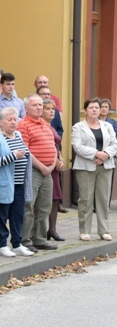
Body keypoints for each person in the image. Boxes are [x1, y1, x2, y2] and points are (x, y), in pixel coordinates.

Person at [0, 107, 35, 257]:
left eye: (15, 119)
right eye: (10, 119)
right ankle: (2, 245)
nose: (14, 122)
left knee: (17, 214)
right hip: (2, 183)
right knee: (1, 215)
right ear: (0, 122)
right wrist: (14, 156)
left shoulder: (18, 135)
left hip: (19, 183)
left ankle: (17, 243)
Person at [17, 95, 59, 252]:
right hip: (33, 170)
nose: (39, 108)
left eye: (41, 105)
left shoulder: (45, 124)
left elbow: (53, 146)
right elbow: (26, 150)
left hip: (48, 171)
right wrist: (42, 166)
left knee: (45, 206)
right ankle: (24, 240)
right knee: (29, 205)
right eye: (35, 105)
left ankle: (40, 239)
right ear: (26, 108)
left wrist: (52, 164)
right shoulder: (23, 125)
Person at [72, 98, 117, 241]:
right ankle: (84, 230)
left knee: (103, 199)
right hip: (86, 167)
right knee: (86, 199)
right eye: (91, 107)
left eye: (97, 108)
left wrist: (105, 155)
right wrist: (96, 154)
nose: (94, 110)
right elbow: (78, 147)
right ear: (85, 110)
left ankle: (104, 230)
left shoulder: (107, 126)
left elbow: (114, 143)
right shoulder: (78, 127)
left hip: (105, 165)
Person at [41, 100, 66, 242]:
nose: (51, 111)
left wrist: (60, 157)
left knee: (55, 198)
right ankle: (39, 230)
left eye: (53, 109)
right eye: (47, 108)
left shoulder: (52, 126)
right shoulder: (41, 125)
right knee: (44, 200)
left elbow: (57, 144)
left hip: (55, 167)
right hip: (45, 165)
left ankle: (52, 229)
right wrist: (54, 159)